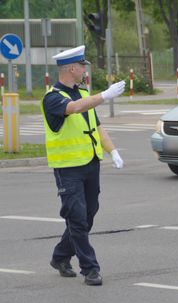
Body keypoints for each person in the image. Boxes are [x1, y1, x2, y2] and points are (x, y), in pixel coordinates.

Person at [41, 45, 125, 286]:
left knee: (88, 216)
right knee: (77, 218)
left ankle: (60, 256)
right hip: (68, 168)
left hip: (90, 163)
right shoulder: (53, 97)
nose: (84, 70)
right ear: (71, 68)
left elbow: (96, 126)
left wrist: (113, 150)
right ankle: (90, 268)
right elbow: (73, 109)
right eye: (82, 66)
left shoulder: (83, 92)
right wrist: (104, 96)